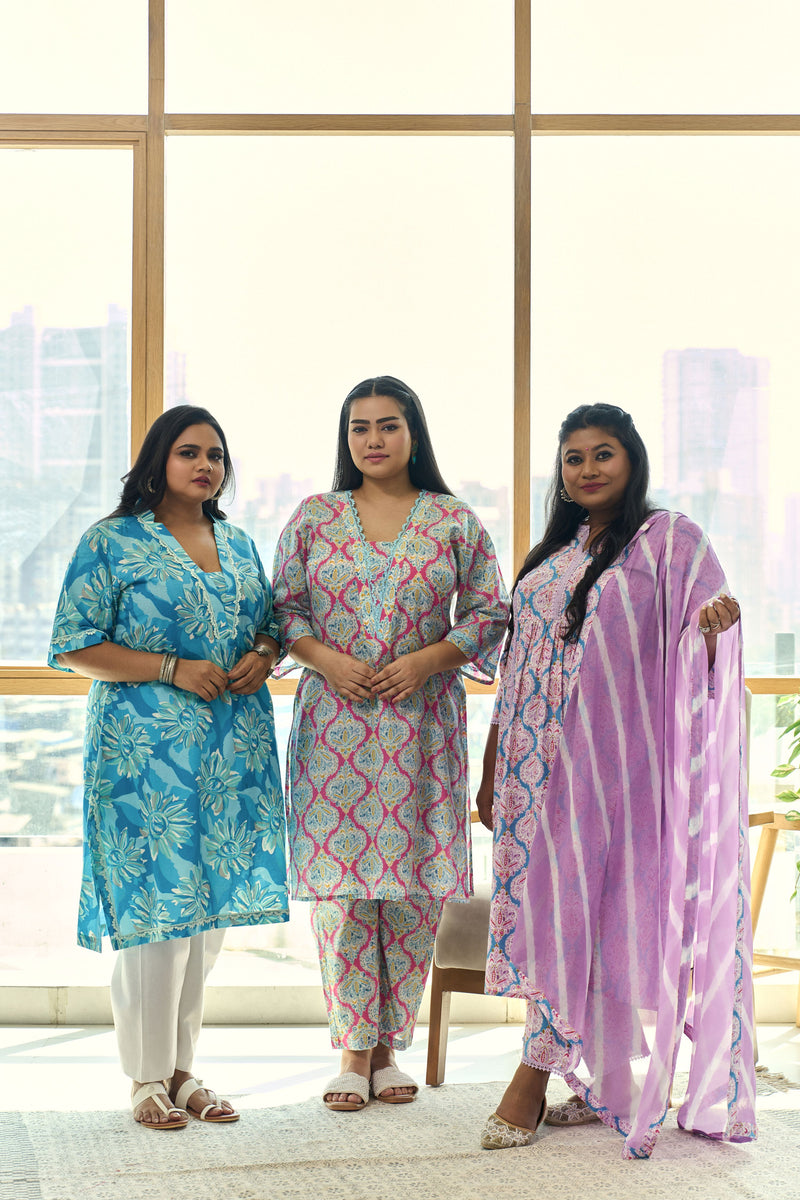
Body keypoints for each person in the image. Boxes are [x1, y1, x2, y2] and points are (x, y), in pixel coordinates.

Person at [476, 403, 756, 1159]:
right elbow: (516, 665)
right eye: (574, 458)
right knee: (547, 910)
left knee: (583, 911)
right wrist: (494, 759)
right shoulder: (552, 552)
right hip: (531, 767)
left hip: (611, 769)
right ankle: (599, 1076)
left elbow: (700, 639)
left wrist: (712, 634)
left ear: (631, 459)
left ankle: (532, 1074)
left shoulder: (670, 540)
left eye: (603, 453)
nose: (588, 469)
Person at [272, 375, 509, 1110]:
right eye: (360, 428)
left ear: (413, 433)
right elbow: (283, 610)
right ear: (345, 439)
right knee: (345, 892)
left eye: (388, 425)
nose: (373, 440)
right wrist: (326, 660)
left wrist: (427, 660)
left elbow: (488, 612)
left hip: (421, 725)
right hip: (335, 726)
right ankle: (352, 1050)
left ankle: (388, 1050)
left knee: (410, 889)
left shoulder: (454, 520)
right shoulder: (313, 518)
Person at [48, 406, 288, 1130]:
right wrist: (169, 668)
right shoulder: (112, 541)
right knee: (157, 916)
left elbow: (270, 625)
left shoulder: (238, 543)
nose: (205, 465)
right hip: (144, 757)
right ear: (159, 460)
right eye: (189, 452)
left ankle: (183, 1072)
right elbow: (72, 644)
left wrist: (264, 655)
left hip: (232, 752)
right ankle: (144, 1077)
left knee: (207, 917)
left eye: (216, 454)